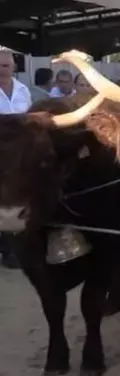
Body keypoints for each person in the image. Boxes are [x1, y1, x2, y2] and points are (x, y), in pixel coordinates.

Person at [0, 50, 31, 269]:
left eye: (6, 66)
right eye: (0, 65)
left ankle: (15, 249)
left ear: (13, 67)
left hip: (20, 155)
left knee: (17, 199)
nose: (3, 69)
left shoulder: (23, 90)